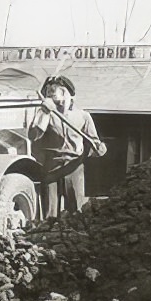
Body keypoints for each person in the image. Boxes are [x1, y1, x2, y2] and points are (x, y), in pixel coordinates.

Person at [28, 75, 107, 216]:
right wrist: (44, 114)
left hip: (74, 167)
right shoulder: (46, 114)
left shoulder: (83, 116)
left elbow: (93, 143)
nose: (50, 95)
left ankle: (74, 236)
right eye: (48, 93)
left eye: (54, 91)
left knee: (77, 212)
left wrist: (99, 149)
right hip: (51, 167)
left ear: (67, 94)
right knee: (49, 213)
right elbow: (33, 136)